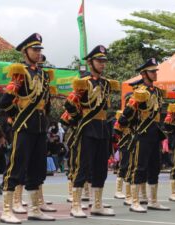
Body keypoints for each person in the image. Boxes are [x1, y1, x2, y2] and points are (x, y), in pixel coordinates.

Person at [0, 33, 56, 223]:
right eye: (35, 49)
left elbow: (46, 103)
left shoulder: (42, 74)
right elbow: (5, 101)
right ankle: (7, 210)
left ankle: (34, 209)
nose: (38, 53)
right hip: (23, 127)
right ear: (25, 52)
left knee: (37, 169)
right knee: (15, 168)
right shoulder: (20, 73)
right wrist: (16, 114)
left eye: (40, 49)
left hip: (39, 128)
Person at [61, 45, 119, 218]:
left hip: (102, 129)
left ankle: (97, 205)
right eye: (99, 61)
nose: (102, 64)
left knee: (101, 168)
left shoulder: (106, 84)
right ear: (90, 62)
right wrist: (78, 119)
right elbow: (69, 104)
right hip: (87, 129)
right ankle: (76, 205)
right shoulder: (83, 83)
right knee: (83, 166)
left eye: (103, 61)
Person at [115, 58, 169, 213]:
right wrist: (126, 117)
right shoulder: (139, 92)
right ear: (144, 74)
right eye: (152, 71)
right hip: (142, 133)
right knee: (139, 167)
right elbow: (129, 113)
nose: (155, 74)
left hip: (154, 133)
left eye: (155, 71)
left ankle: (153, 201)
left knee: (155, 167)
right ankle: (135, 201)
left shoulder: (158, 92)